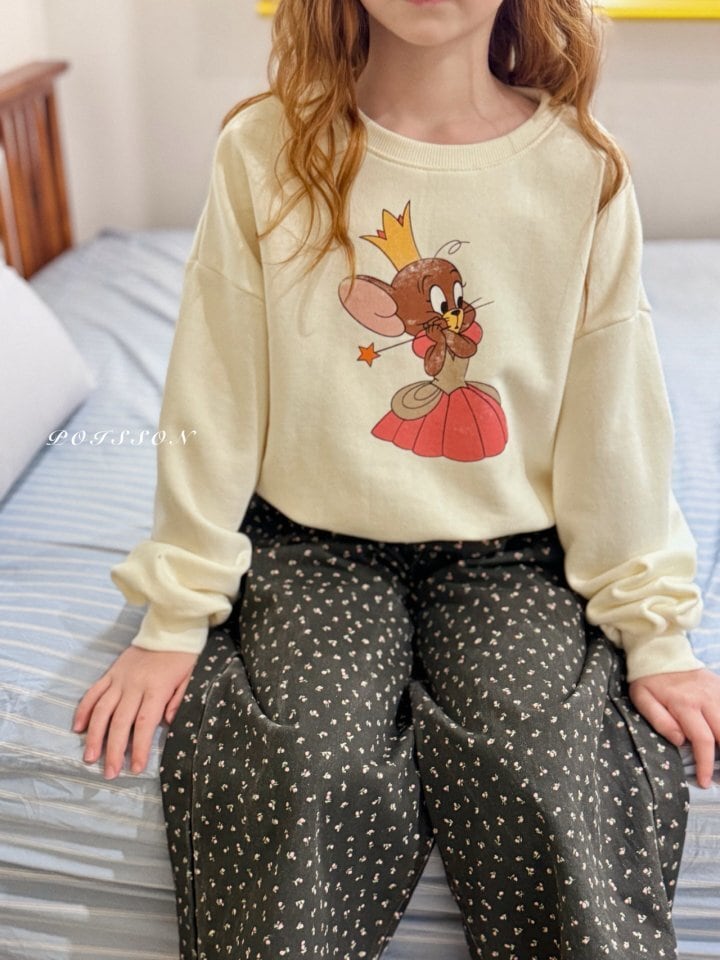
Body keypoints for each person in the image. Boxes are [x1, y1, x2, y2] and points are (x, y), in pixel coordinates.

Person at [73, 0, 720, 957]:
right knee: (302, 766)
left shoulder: (580, 167)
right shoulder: (266, 149)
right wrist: (174, 615)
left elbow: (612, 418)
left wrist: (655, 633)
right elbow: (215, 392)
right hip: (311, 546)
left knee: (547, 768)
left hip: (512, 554)